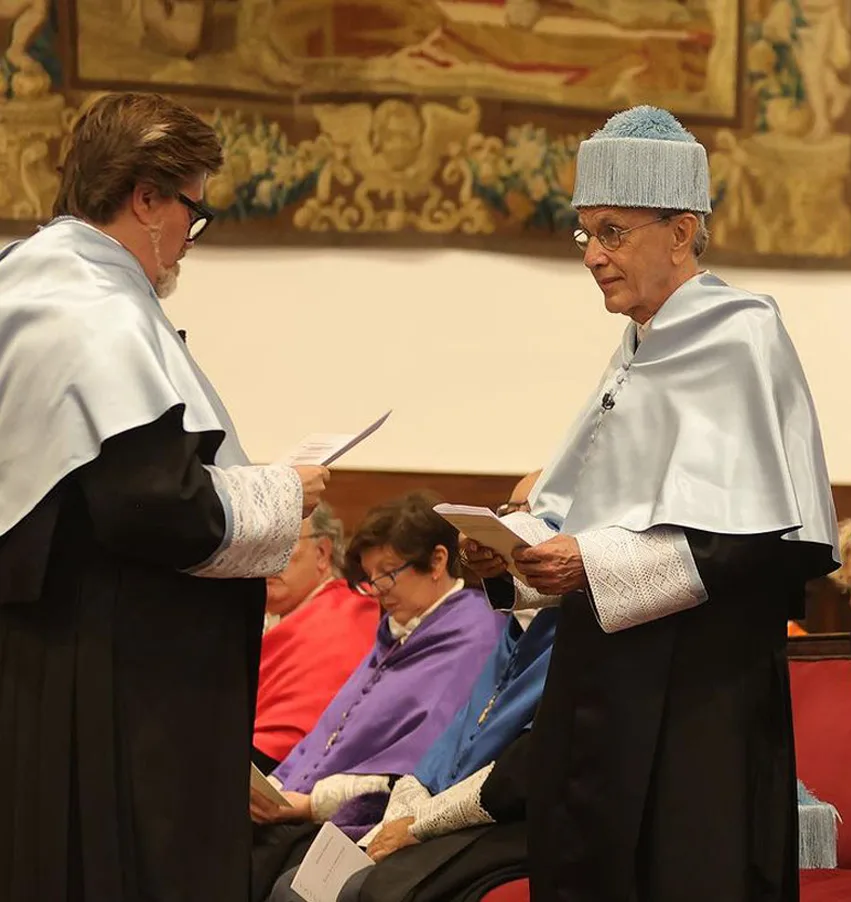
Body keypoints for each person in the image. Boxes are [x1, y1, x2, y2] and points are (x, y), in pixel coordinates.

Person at [463, 106, 839, 901]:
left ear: (680, 231)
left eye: (612, 232)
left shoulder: (743, 336)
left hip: (699, 707)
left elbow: (765, 548)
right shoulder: (635, 348)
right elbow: (588, 522)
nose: (593, 256)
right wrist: (512, 557)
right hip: (597, 693)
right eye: (585, 235)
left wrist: (588, 561)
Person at [0, 91, 330, 902]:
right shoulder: (98, 316)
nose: (190, 235)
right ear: (145, 197)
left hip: (43, 659)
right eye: (193, 210)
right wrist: (286, 495)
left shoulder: (29, 286)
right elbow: (155, 507)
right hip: (120, 684)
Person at [262, 475, 558, 902]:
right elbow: (438, 750)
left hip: (484, 820)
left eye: (388, 575)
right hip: (410, 810)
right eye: (509, 513)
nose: (378, 594)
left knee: (304, 887)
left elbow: (492, 769)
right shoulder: (404, 630)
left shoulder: (478, 628)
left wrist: (409, 825)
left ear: (437, 562)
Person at [254, 504, 381, 771]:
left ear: (322, 553)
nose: (262, 560)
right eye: (256, 546)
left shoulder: (346, 619)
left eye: (279, 544)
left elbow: (280, 746)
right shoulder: (275, 611)